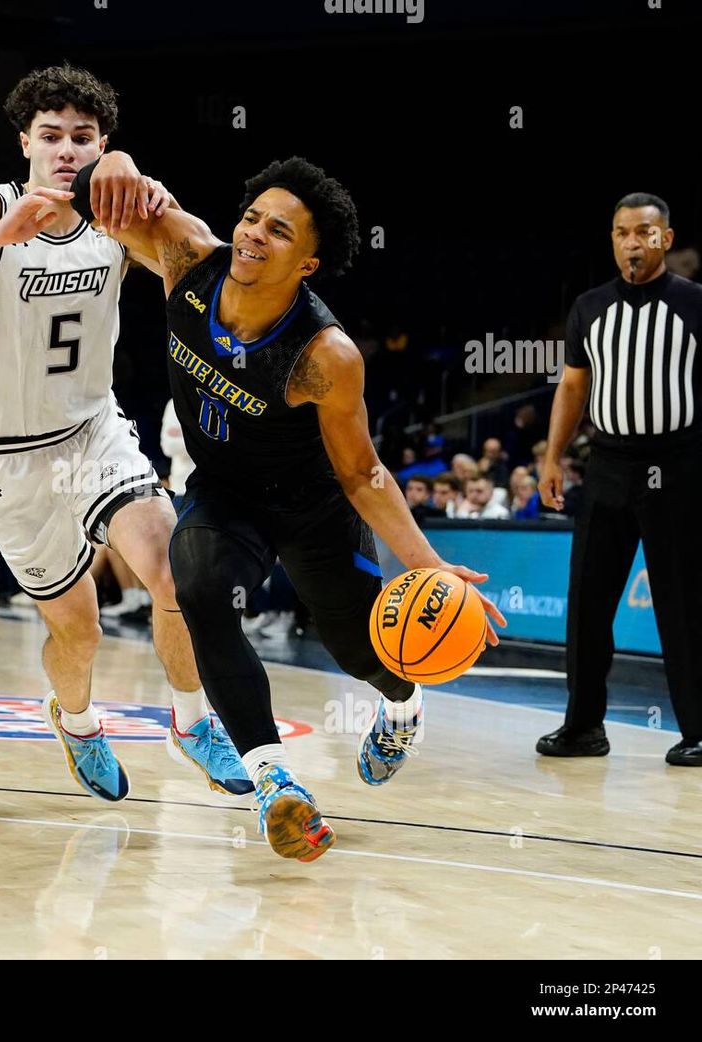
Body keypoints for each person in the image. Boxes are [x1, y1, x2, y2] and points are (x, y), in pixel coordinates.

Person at [74, 150, 505, 858]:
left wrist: (430, 564)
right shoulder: (186, 257)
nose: (252, 235)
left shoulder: (325, 354)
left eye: (277, 232)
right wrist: (115, 159)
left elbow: (363, 475)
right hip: (223, 493)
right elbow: (99, 196)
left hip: (311, 506)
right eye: (251, 218)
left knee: (357, 647)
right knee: (200, 588)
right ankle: (276, 781)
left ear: (307, 263)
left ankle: (403, 704)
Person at [0, 64, 251, 802]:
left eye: (84, 137)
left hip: (93, 431)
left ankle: (192, 721)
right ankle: (76, 723)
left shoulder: (115, 215)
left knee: (177, 570)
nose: (67, 150)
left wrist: (154, 197)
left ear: (102, 142)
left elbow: (207, 266)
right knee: (80, 631)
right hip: (7, 459)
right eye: (51, 136)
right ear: (25, 143)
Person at [538, 192, 702, 766]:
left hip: (676, 465)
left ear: (666, 238)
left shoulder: (694, 304)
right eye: (621, 232)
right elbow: (573, 388)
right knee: (587, 602)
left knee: (682, 605)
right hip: (607, 465)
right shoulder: (589, 306)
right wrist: (552, 457)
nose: (632, 242)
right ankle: (583, 728)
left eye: (643, 232)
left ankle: (698, 731)